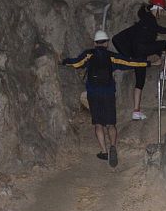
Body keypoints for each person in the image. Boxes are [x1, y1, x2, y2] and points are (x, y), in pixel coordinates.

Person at [61, 30, 146, 168]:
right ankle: (113, 145)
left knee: (98, 124)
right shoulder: (111, 56)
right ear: (106, 43)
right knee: (111, 124)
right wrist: (147, 63)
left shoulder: (89, 54)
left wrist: (64, 62)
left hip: (94, 94)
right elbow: (130, 62)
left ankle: (104, 151)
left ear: (95, 43)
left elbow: (76, 64)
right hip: (108, 93)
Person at [112, 0, 166, 120]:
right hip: (142, 49)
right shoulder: (149, 18)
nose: (162, 13)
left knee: (140, 81)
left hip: (139, 53)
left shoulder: (144, 22)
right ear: (157, 8)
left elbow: (150, 41)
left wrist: (158, 55)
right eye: (162, 10)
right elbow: (159, 29)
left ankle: (136, 111)